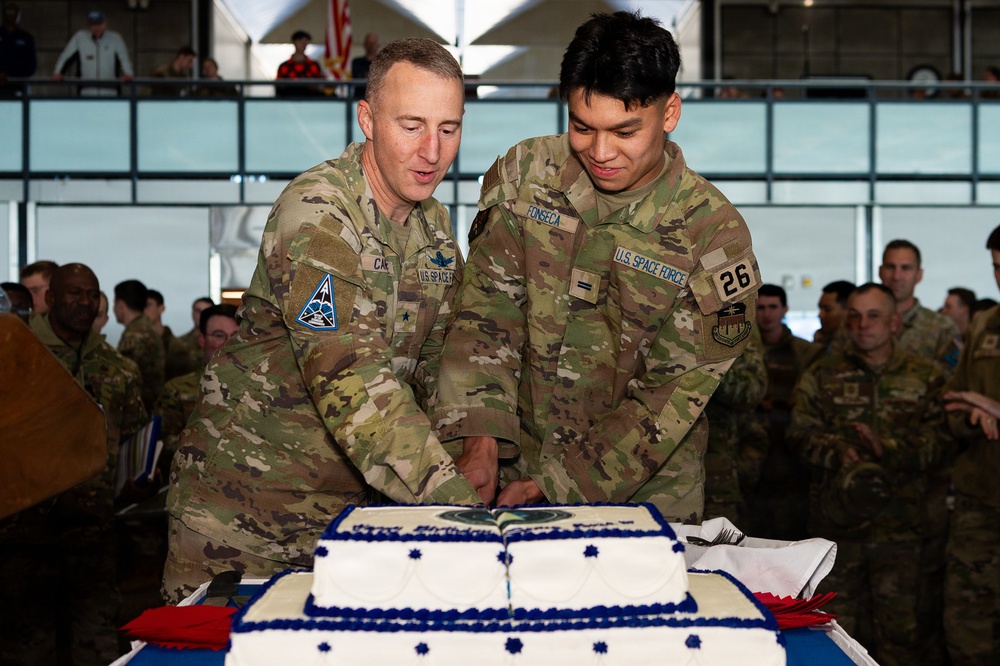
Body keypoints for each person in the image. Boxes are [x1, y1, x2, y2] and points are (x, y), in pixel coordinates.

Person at [164, 37, 483, 603]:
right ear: (367, 119)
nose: (432, 151)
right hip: (243, 520)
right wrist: (458, 507)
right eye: (411, 125)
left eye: (449, 128)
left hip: (348, 527)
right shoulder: (317, 212)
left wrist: (479, 440)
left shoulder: (434, 230)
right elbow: (350, 377)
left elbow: (441, 363)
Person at [431, 11, 761, 522]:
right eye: (583, 127)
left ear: (669, 112)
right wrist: (480, 436)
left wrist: (557, 485)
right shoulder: (526, 176)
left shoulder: (713, 237)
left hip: (642, 503)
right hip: (508, 475)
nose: (601, 152)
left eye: (625, 131)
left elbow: (668, 399)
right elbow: (486, 316)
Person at [789, 283, 947, 665]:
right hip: (838, 537)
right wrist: (836, 450)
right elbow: (798, 434)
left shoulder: (927, 377)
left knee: (903, 639)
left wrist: (886, 449)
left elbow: (943, 442)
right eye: (855, 316)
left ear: (895, 321)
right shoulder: (823, 375)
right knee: (838, 637)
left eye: (873, 316)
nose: (863, 325)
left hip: (904, 536)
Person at [0, 263, 146, 666]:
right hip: (22, 532)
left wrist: (138, 479)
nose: (84, 302)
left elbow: (135, 439)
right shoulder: (18, 356)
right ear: (48, 299)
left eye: (91, 294)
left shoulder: (120, 369)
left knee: (96, 644)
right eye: (73, 293)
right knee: (26, 647)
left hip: (92, 529)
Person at [942, 224, 1000, 666]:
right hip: (982, 496)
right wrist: (973, 413)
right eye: (997, 268)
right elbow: (955, 401)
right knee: (968, 627)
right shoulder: (985, 323)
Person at [744, 283, 813, 540]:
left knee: (790, 531)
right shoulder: (743, 350)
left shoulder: (804, 352)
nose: (766, 314)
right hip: (750, 450)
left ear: (785, 309)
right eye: (760, 307)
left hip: (790, 452)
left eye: (773, 307)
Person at [154, 303, 238, 469]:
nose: (229, 344)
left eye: (235, 335)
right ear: (202, 340)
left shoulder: (258, 387)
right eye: (219, 335)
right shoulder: (177, 390)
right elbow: (163, 444)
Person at [702, 327, 768, 525]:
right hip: (651, 478)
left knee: (718, 552)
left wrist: (705, 370)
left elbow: (752, 390)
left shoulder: (730, 315)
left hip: (716, 481)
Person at [878, 239, 960, 374]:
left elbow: (953, 378)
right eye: (890, 267)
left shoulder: (941, 328)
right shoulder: (860, 322)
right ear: (880, 272)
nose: (896, 276)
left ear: (919, 275)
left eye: (906, 268)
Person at [52, 9, 133, 97]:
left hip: (111, 91)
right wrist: (58, 72)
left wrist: (128, 73)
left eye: (99, 24)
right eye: (93, 24)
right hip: (85, 91)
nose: (97, 27)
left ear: (105, 23)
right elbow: (66, 56)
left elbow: (123, 58)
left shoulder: (115, 39)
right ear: (88, 25)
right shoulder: (80, 38)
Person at [114, 279, 166, 410]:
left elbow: (123, 378)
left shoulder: (135, 335)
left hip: (139, 410)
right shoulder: (145, 329)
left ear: (120, 304)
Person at [145, 288, 198, 381]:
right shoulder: (140, 342)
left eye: (148, 305)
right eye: (141, 306)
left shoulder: (176, 348)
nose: (144, 310)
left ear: (161, 308)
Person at [0, 3, 35, 98]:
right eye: (8, 11)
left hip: (18, 87)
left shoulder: (26, 38)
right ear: (3, 14)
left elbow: (31, 65)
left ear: (18, 15)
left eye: (14, 12)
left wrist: (10, 75)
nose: (11, 14)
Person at [275, 30, 324, 97]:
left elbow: (319, 84)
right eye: (300, 41)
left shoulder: (314, 65)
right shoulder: (284, 66)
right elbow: (279, 86)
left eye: (306, 41)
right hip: (288, 100)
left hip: (310, 100)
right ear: (294, 42)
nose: (303, 44)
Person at [350, 32, 380, 99]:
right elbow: (355, 78)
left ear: (378, 45)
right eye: (369, 43)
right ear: (365, 45)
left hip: (377, 99)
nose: (371, 45)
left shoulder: (382, 63)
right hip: (359, 98)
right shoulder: (356, 62)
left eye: (373, 43)